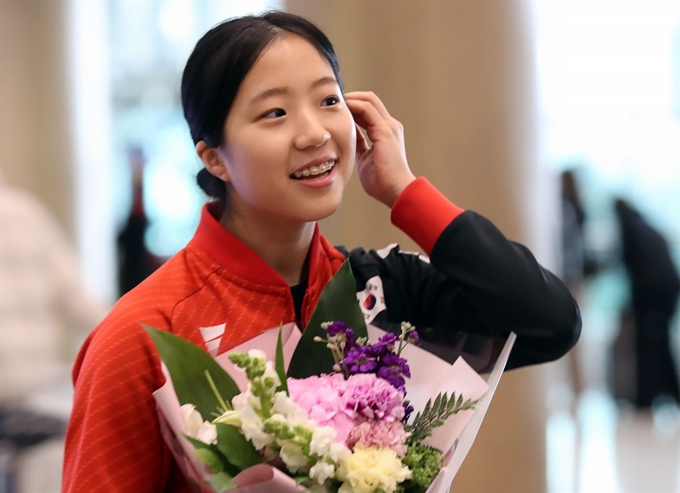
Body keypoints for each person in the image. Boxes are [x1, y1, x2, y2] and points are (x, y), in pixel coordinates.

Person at [62, 11, 582, 492]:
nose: (314, 133)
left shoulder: (380, 291)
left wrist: (405, 192)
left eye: (328, 100)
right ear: (214, 157)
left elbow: (548, 323)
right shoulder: (141, 336)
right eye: (274, 112)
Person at [613, 198, 680, 409]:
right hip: (665, 292)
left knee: (649, 344)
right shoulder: (644, 226)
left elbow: (636, 270)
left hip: (654, 294)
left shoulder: (631, 229)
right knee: (658, 342)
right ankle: (665, 393)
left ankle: (648, 396)